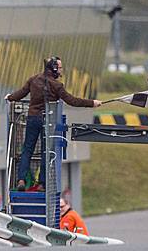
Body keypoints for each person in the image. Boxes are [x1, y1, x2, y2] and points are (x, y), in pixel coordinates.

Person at [5, 56, 101, 191]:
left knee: (27, 149)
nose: (61, 70)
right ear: (54, 69)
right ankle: (42, 184)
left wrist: (9, 97)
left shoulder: (33, 80)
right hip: (48, 121)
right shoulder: (57, 85)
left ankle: (21, 180)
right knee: (46, 152)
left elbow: (20, 94)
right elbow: (72, 101)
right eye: (60, 68)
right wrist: (92, 103)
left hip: (32, 118)